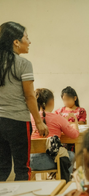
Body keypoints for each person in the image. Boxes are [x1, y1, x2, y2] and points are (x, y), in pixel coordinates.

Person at [0, 21, 48, 181]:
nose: (29, 42)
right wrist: (39, 122)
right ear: (16, 41)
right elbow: (29, 96)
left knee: (2, 169)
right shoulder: (23, 64)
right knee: (23, 169)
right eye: (26, 37)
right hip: (17, 121)